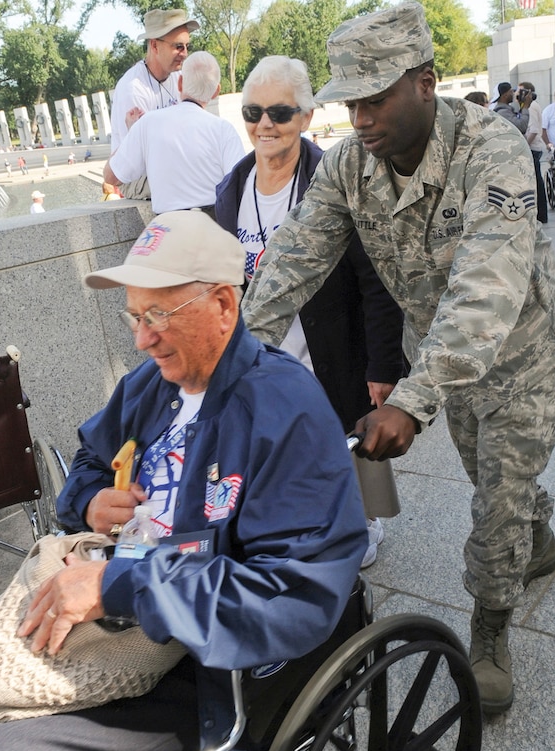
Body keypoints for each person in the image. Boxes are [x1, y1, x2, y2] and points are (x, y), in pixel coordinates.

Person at [0, 210, 367, 751]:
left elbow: (287, 591)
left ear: (224, 305)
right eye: (134, 316)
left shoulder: (286, 412)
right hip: (115, 623)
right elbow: (90, 462)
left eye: (158, 315)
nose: (141, 338)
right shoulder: (149, 386)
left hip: (209, 663)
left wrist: (117, 585)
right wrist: (89, 501)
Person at [241, 1, 555, 715]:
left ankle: (488, 630)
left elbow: (486, 292)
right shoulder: (349, 168)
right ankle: (533, 529)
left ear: (423, 82)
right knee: (489, 468)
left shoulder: (492, 148)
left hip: (517, 348)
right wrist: (231, 359)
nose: (358, 119)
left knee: (495, 497)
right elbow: (292, 259)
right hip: (438, 352)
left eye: (374, 97)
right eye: (348, 102)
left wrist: (411, 402)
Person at [215, 55, 405, 567]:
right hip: (270, 346)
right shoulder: (231, 189)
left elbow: (377, 279)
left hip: (334, 339)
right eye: (253, 112)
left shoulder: (333, 176)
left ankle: (362, 521)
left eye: (280, 112)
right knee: (284, 440)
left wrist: (384, 364)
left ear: (306, 116)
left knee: (348, 434)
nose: (264, 125)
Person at [105, 51, 245, 215]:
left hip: (168, 228)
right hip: (213, 227)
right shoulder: (224, 130)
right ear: (216, 91)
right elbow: (240, 188)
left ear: (180, 83)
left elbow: (111, 176)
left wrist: (132, 133)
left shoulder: (147, 123)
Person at [109, 8, 199, 158]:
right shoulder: (134, 89)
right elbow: (144, 154)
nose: (184, 54)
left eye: (187, 46)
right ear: (155, 46)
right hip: (140, 176)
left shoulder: (180, 78)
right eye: (178, 47)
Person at [521, 81, 547, 224]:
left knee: (536, 182)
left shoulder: (531, 107)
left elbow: (534, 130)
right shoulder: (533, 106)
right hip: (534, 147)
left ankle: (541, 216)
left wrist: (523, 146)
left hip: (532, 148)